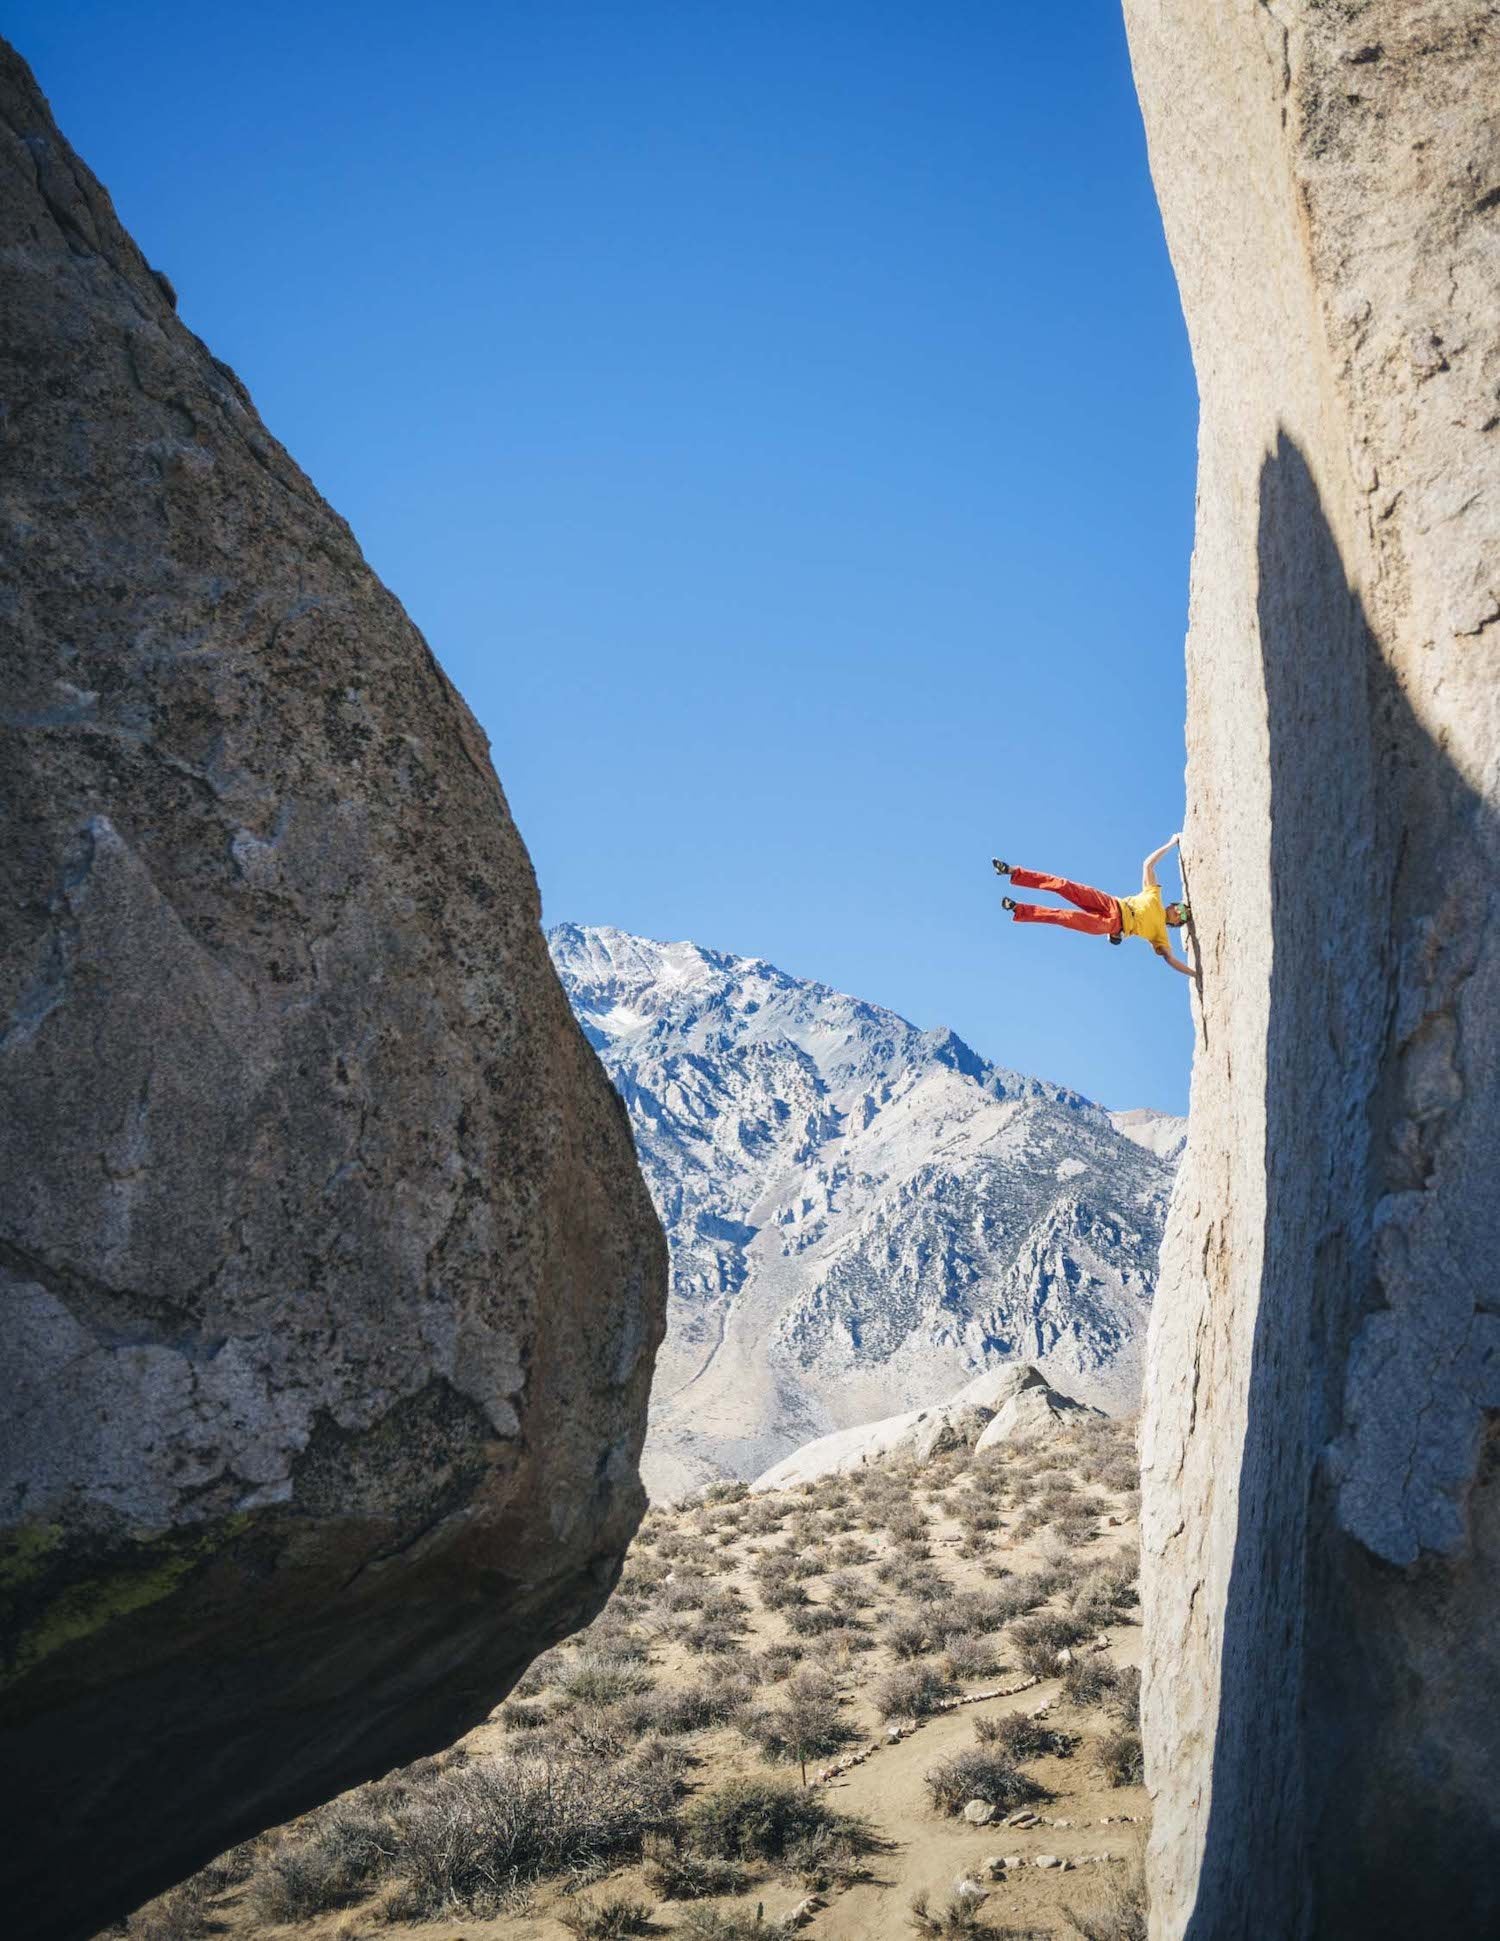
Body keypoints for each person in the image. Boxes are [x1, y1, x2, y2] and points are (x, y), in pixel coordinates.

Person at [992, 835, 1194, 976]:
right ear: (1174, 904)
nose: (1179, 912)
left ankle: (1018, 909)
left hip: (1113, 924)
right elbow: (1148, 865)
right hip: (1110, 902)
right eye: (1181, 908)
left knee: (1064, 917)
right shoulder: (1155, 895)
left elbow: (1170, 960)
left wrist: (1195, 974)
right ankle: (1012, 871)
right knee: (1063, 886)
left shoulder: (1161, 935)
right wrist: (1171, 843)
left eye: (1182, 917)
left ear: (1177, 924)